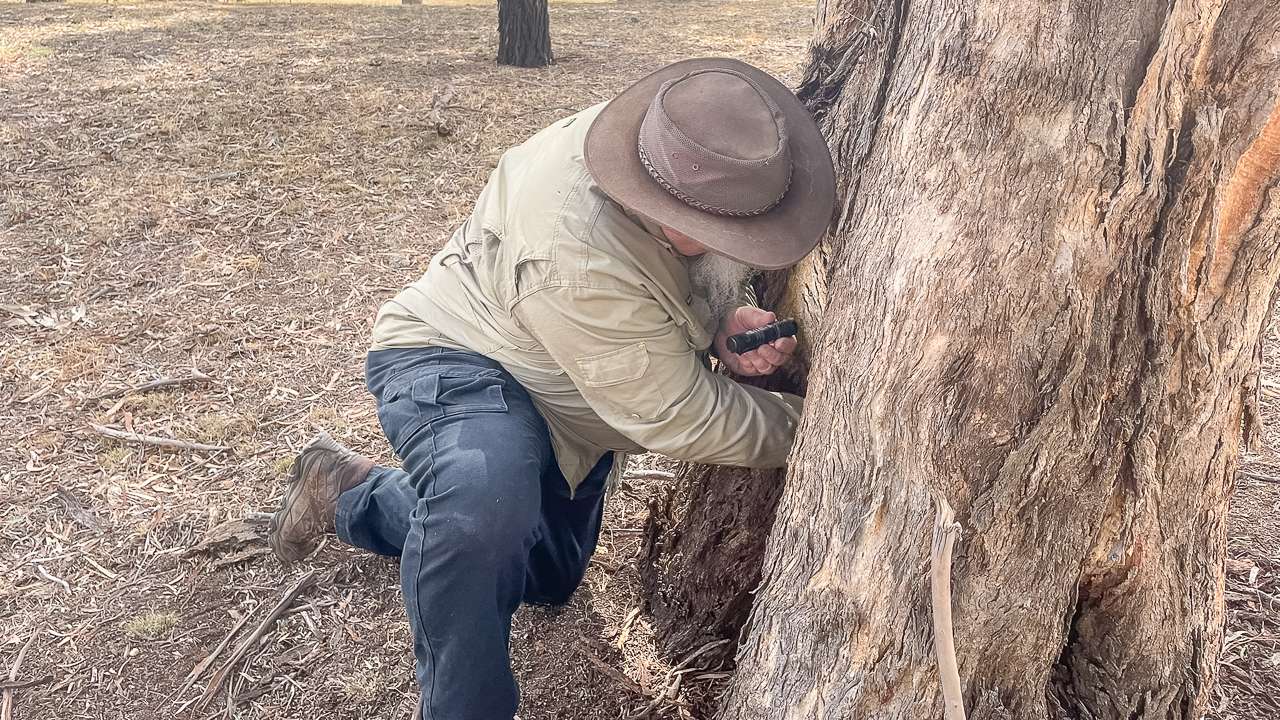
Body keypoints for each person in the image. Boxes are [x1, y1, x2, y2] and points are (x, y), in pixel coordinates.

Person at [266, 57, 836, 720]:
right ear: (663, 203)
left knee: (544, 575)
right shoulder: (575, 253)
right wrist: (826, 430)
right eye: (730, 232)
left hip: (569, 391)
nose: (740, 242)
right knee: (483, 508)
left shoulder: (666, 148)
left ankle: (349, 491)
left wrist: (721, 326)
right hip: (456, 358)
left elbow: (666, 291)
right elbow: (681, 416)